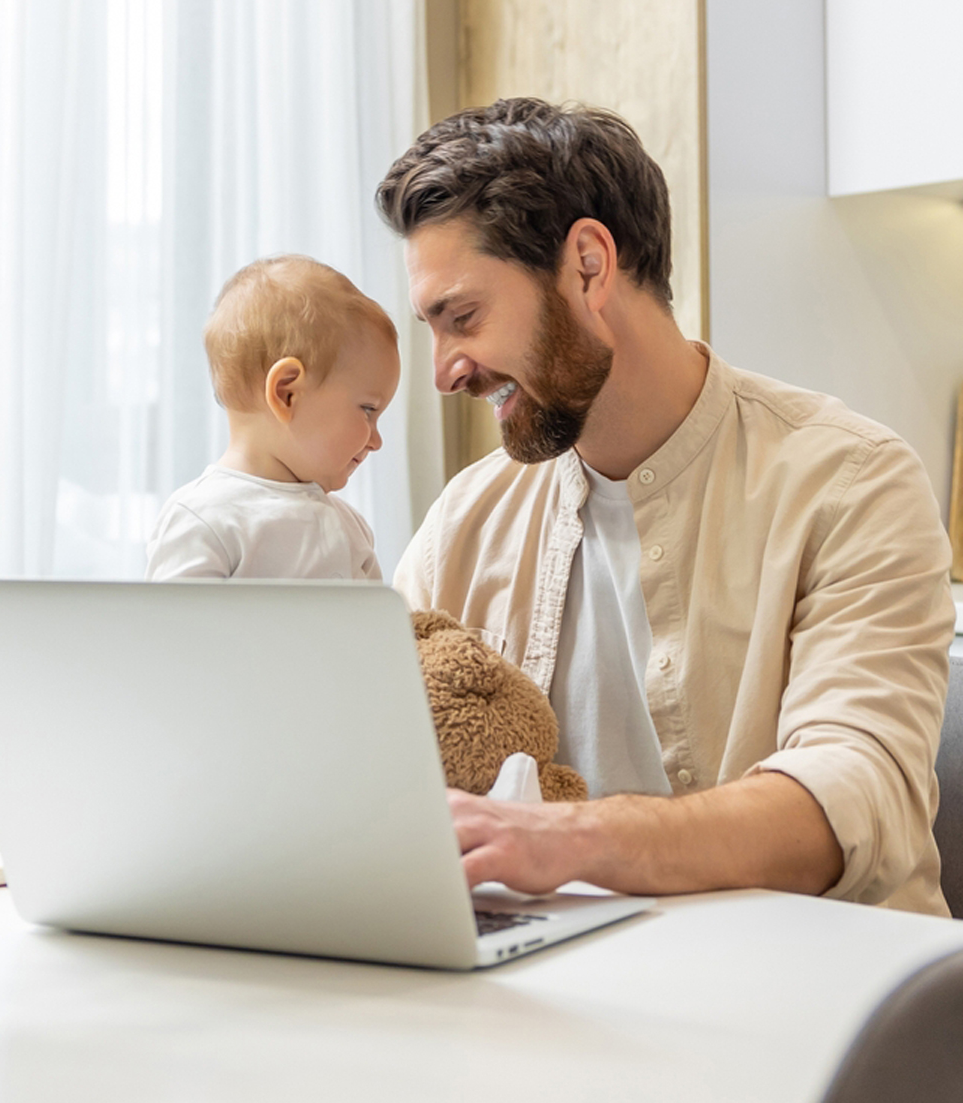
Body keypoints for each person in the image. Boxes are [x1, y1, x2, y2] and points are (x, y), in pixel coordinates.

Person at [376, 98, 956, 914]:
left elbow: (851, 797)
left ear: (587, 264)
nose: (444, 372)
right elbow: (372, 764)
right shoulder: (464, 523)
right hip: (559, 1001)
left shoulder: (852, 482)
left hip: (830, 1005)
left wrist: (570, 840)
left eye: (462, 317)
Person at [146, 255, 399, 581]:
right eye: (368, 410)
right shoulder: (204, 519)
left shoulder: (350, 527)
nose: (376, 441)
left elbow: (380, 629)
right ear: (286, 393)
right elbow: (172, 629)